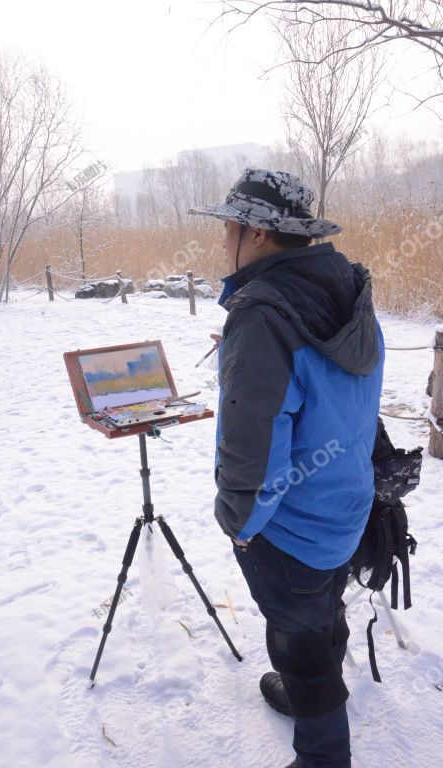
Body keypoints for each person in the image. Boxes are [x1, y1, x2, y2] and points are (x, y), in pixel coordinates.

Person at [189, 168, 384, 768]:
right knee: (323, 607)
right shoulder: (349, 291)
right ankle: (320, 691)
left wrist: (239, 519)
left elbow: (255, 440)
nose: (225, 239)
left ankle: (323, 749)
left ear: (260, 235)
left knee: (298, 642)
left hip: (292, 525)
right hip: (348, 505)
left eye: (230, 227)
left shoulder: (262, 315)